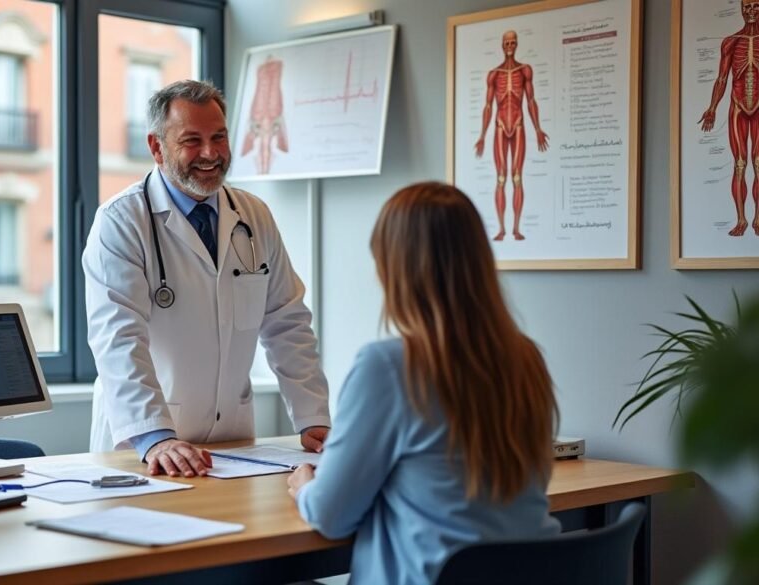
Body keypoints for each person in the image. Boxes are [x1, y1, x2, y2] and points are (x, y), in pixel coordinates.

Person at [287, 182, 560, 584]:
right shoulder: (527, 357)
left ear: (395, 269)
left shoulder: (387, 366)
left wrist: (306, 483)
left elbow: (331, 515)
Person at [83, 80, 330, 478]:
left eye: (219, 137)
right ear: (156, 146)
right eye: (192, 140)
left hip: (233, 444)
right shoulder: (122, 221)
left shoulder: (254, 216)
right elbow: (118, 337)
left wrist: (313, 416)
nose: (211, 153)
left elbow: (288, 323)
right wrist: (155, 437)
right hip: (146, 449)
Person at [475, 30, 549, 241]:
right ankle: (501, 229)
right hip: (500, 125)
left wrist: (538, 129)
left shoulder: (525, 70)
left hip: (518, 125)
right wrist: (482, 135)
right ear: (502, 45)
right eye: (506, 42)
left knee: (517, 177)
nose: (509, 45)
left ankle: (516, 228)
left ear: (516, 45)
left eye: (513, 42)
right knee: (500, 178)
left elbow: (531, 101)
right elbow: (488, 105)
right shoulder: (494, 74)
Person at [699, 0, 759, 237]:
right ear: (741, 10)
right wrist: (712, 107)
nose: (751, 12)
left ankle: (758, 220)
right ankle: (742, 220)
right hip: (737, 106)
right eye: (747, 8)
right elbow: (722, 78)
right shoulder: (731, 42)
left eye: (756, 7)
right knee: (740, 164)